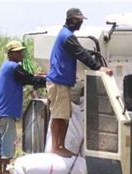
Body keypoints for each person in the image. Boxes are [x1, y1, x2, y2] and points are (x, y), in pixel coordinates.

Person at [47, 8, 112, 157]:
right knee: (59, 116)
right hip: (59, 82)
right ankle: (57, 147)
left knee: (64, 116)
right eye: (78, 20)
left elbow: (80, 52)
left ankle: (59, 145)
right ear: (71, 20)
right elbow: (80, 54)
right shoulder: (68, 36)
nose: (80, 23)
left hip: (62, 82)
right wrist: (100, 67)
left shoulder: (66, 36)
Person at [0, 40, 47, 174]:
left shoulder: (7, 67)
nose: (21, 54)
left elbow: (25, 78)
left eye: (21, 51)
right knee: (8, 144)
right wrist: (49, 79)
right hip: (6, 112)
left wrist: (38, 77)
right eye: (17, 52)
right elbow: (29, 79)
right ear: (10, 54)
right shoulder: (14, 67)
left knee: (1, 144)